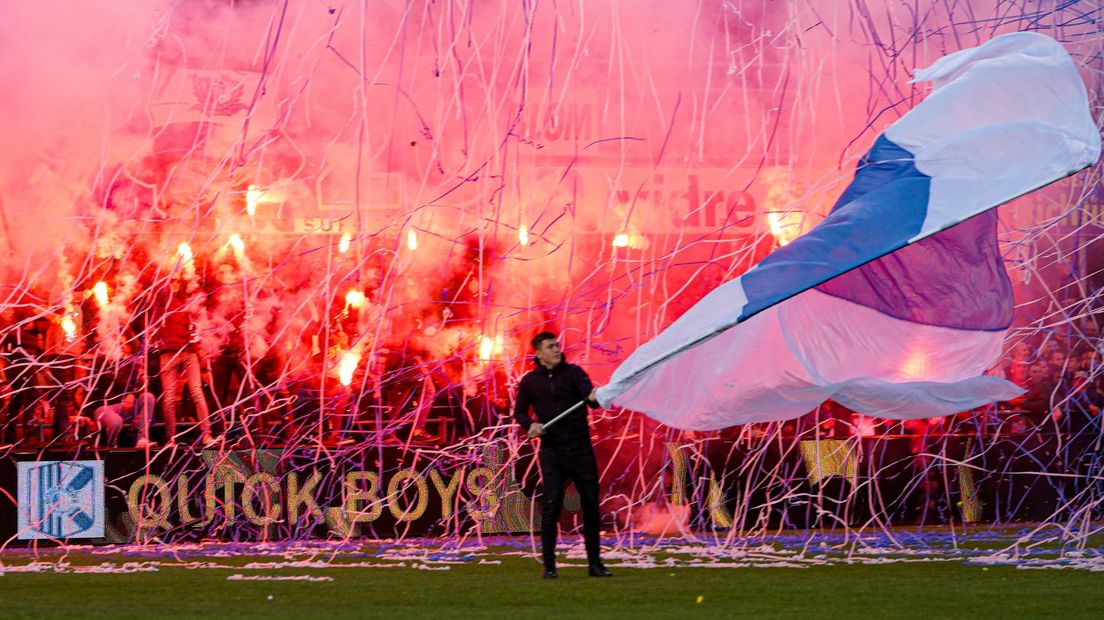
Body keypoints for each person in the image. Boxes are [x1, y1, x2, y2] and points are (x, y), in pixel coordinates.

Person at [513, 332, 611, 579]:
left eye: (557, 345)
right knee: (551, 506)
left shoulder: (574, 374)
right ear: (538, 353)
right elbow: (519, 412)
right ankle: (549, 566)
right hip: (552, 451)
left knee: (590, 505)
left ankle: (595, 564)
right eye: (550, 347)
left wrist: (593, 396)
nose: (556, 350)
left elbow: (592, 401)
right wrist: (530, 425)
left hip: (580, 449)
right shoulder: (529, 382)